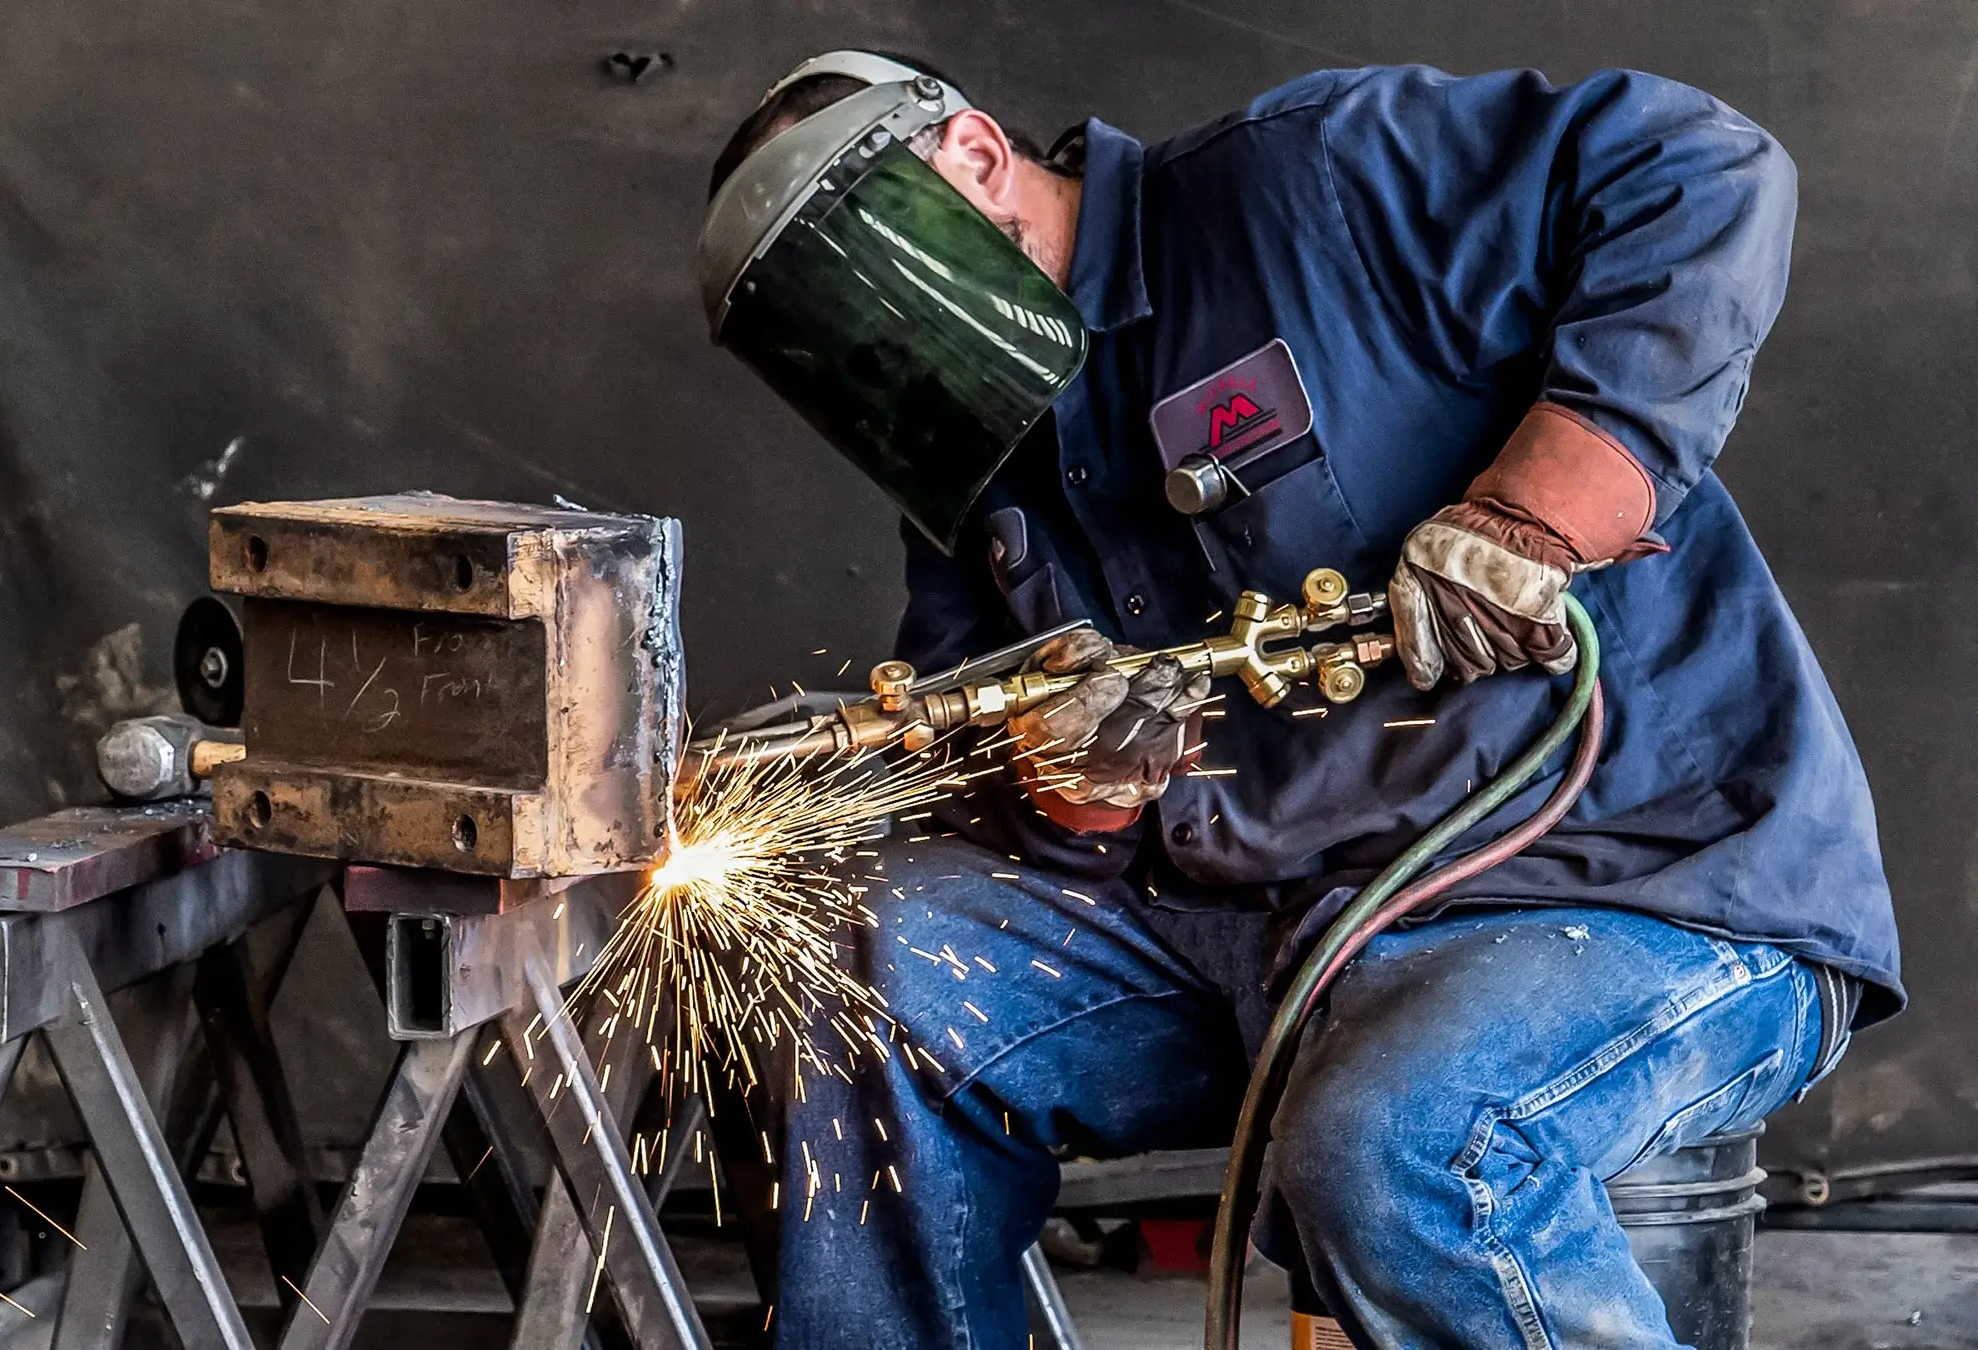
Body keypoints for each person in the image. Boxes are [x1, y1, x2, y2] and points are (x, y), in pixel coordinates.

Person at [694, 51, 1901, 1350]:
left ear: (977, 160)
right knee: (840, 976)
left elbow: (1700, 165)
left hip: (1626, 878)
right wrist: (1074, 797)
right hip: (1260, 939)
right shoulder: (969, 452)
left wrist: (1540, 510)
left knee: (1399, 1140)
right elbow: (1006, 786)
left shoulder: (1309, 179)